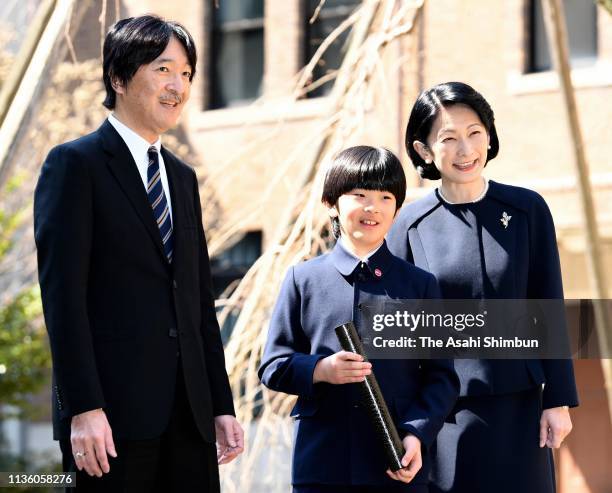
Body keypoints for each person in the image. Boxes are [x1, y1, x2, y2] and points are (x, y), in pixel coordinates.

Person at [34, 15, 243, 492]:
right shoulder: (75, 165)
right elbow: (63, 301)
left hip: (189, 417)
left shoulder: (183, 178)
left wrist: (220, 404)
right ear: (119, 77)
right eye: (163, 69)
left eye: (187, 73)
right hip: (110, 421)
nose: (178, 86)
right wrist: (83, 407)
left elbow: (196, 303)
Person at [386, 81, 578, 493]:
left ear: (489, 136)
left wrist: (557, 399)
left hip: (521, 408)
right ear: (424, 150)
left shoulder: (527, 209)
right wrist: (408, 424)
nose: (465, 150)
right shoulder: (407, 224)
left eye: (474, 133)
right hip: (444, 414)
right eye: (448, 138)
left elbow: (549, 304)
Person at [259, 146, 459, 493]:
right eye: (359, 195)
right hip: (322, 465)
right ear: (331, 205)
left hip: (396, 466)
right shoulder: (302, 280)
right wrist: (321, 370)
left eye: (385, 196)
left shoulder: (420, 285)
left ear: (397, 208)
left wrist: (416, 433)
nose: (373, 207)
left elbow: (442, 378)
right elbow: (273, 366)